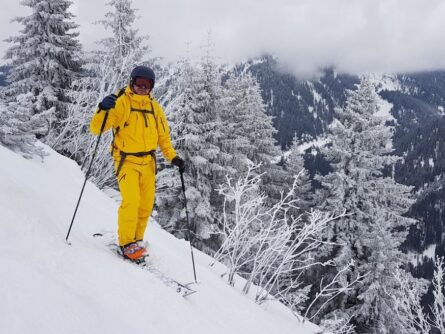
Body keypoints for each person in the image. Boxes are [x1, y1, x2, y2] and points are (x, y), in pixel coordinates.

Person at [90, 65, 185, 262]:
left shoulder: (154, 108)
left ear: (152, 86)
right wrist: (102, 109)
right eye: (139, 83)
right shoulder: (121, 103)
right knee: (131, 202)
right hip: (126, 160)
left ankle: (137, 239)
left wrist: (172, 157)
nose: (142, 87)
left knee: (145, 205)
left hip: (148, 161)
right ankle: (126, 243)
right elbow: (97, 129)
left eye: (147, 84)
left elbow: (163, 137)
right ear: (132, 82)